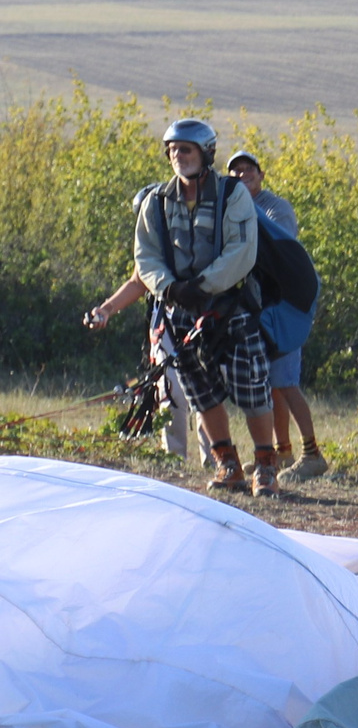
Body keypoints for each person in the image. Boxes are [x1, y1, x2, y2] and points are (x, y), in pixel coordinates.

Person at [86, 119, 280, 495]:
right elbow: (147, 259)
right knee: (200, 393)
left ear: (206, 153)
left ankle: (266, 466)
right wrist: (173, 290)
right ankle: (228, 466)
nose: (178, 156)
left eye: (186, 149)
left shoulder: (232, 194)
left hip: (230, 308)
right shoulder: (156, 201)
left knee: (252, 389)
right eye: (173, 150)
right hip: (179, 313)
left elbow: (241, 250)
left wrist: (203, 286)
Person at [227, 150, 326, 481]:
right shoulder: (237, 209)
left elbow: (275, 251)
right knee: (270, 382)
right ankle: (281, 452)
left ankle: (312, 455)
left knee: (285, 381)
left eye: (248, 170)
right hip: (264, 305)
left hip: (287, 304)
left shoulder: (276, 208)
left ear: (261, 174)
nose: (242, 175)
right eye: (235, 172)